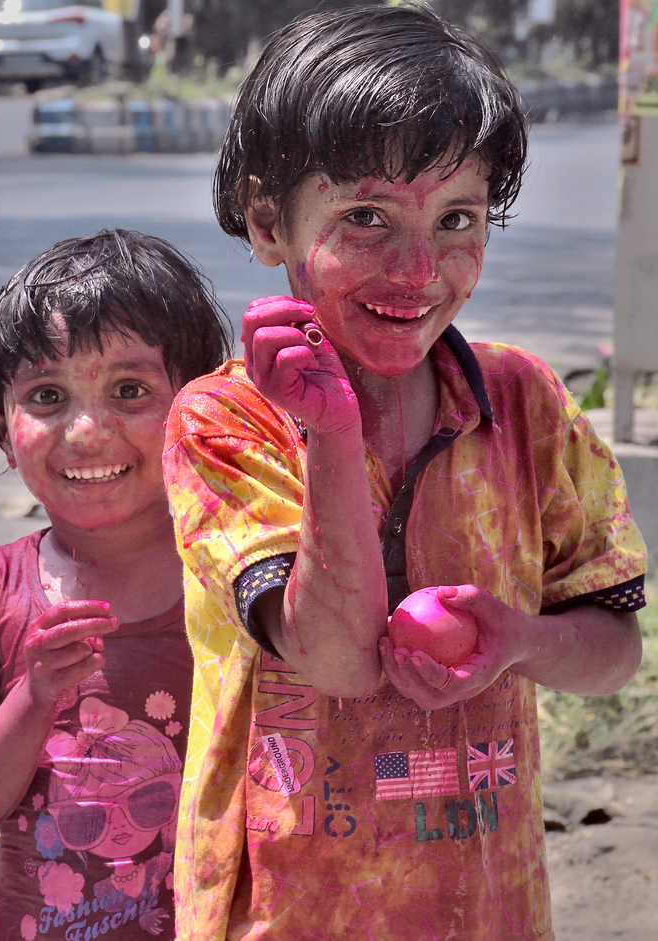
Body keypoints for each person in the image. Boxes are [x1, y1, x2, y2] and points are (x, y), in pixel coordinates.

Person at [160, 6, 648, 940]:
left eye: (457, 218)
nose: (420, 268)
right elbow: (339, 657)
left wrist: (517, 641)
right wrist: (332, 434)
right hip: (287, 909)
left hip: (487, 907)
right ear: (269, 220)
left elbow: (615, 650)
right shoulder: (224, 422)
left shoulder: (525, 404)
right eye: (367, 217)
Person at [0, 229, 232, 941]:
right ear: (2, 425)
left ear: (200, 407)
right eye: (47, 395)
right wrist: (33, 696)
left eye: (130, 389)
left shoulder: (239, 574)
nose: (87, 430)